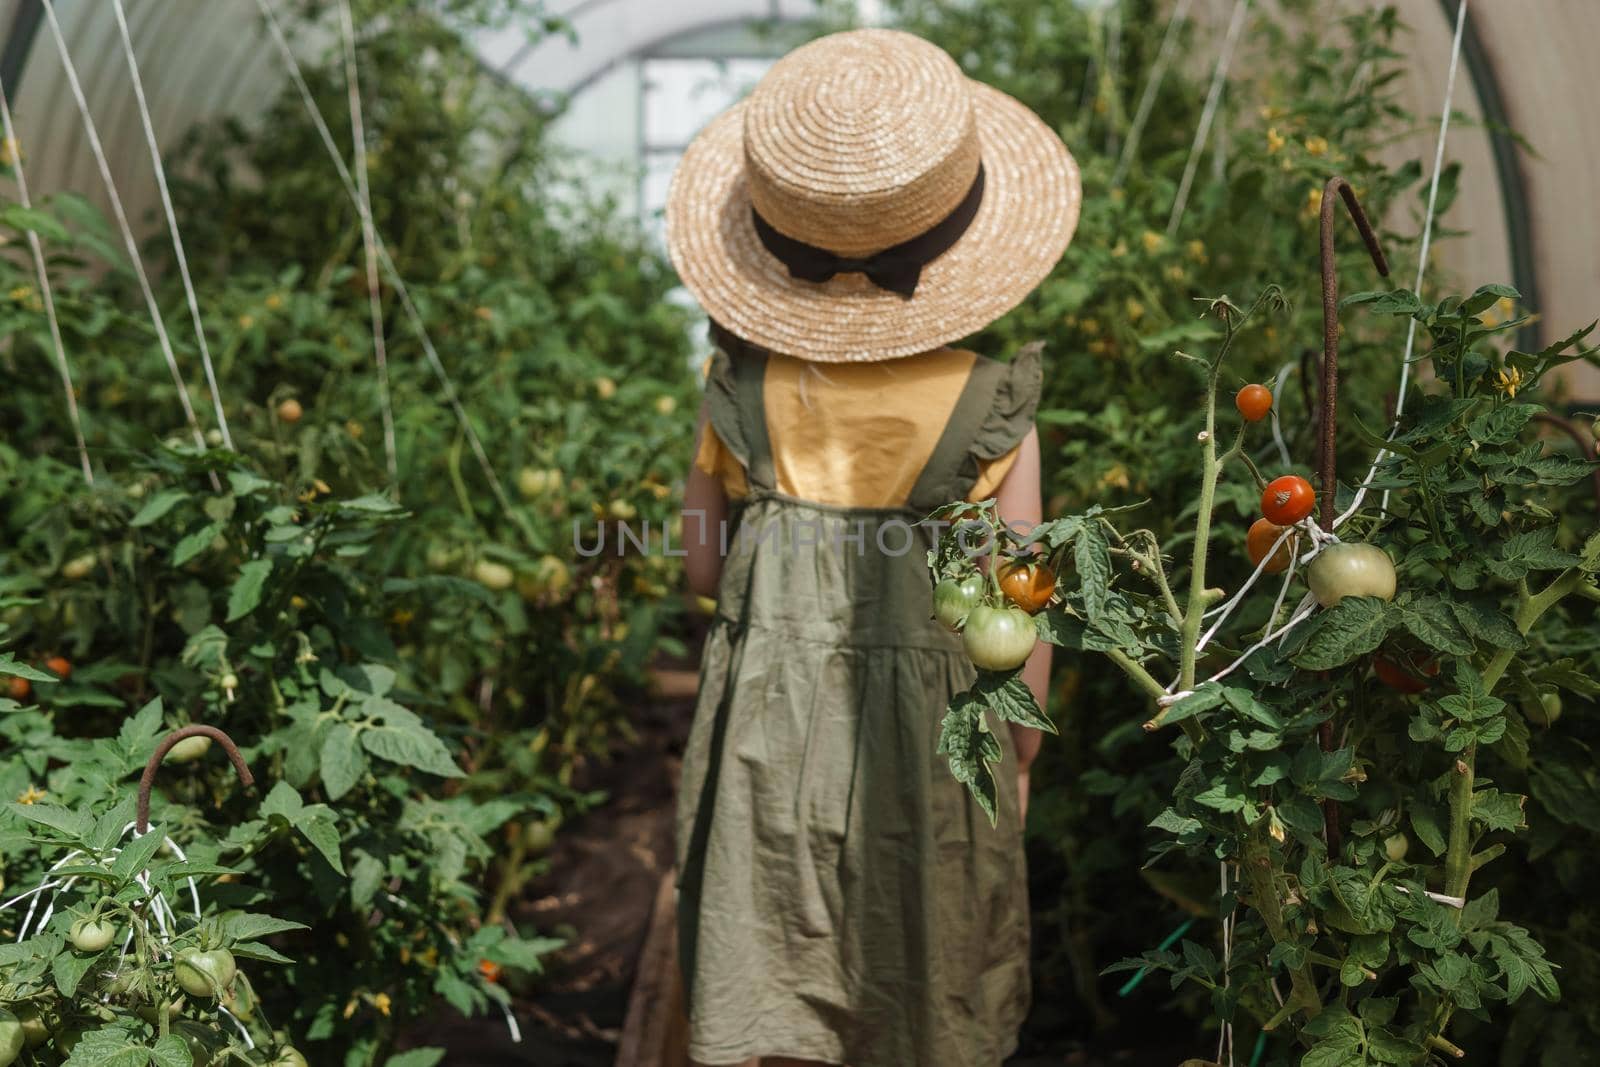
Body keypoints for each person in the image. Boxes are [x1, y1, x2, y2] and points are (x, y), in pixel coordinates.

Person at [666, 27, 1080, 1067]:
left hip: (767, 738)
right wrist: (1021, 755)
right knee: (925, 963)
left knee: (772, 965)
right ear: (951, 242)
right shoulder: (991, 408)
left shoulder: (739, 390)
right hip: (935, 742)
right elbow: (1020, 606)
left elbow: (701, 574)